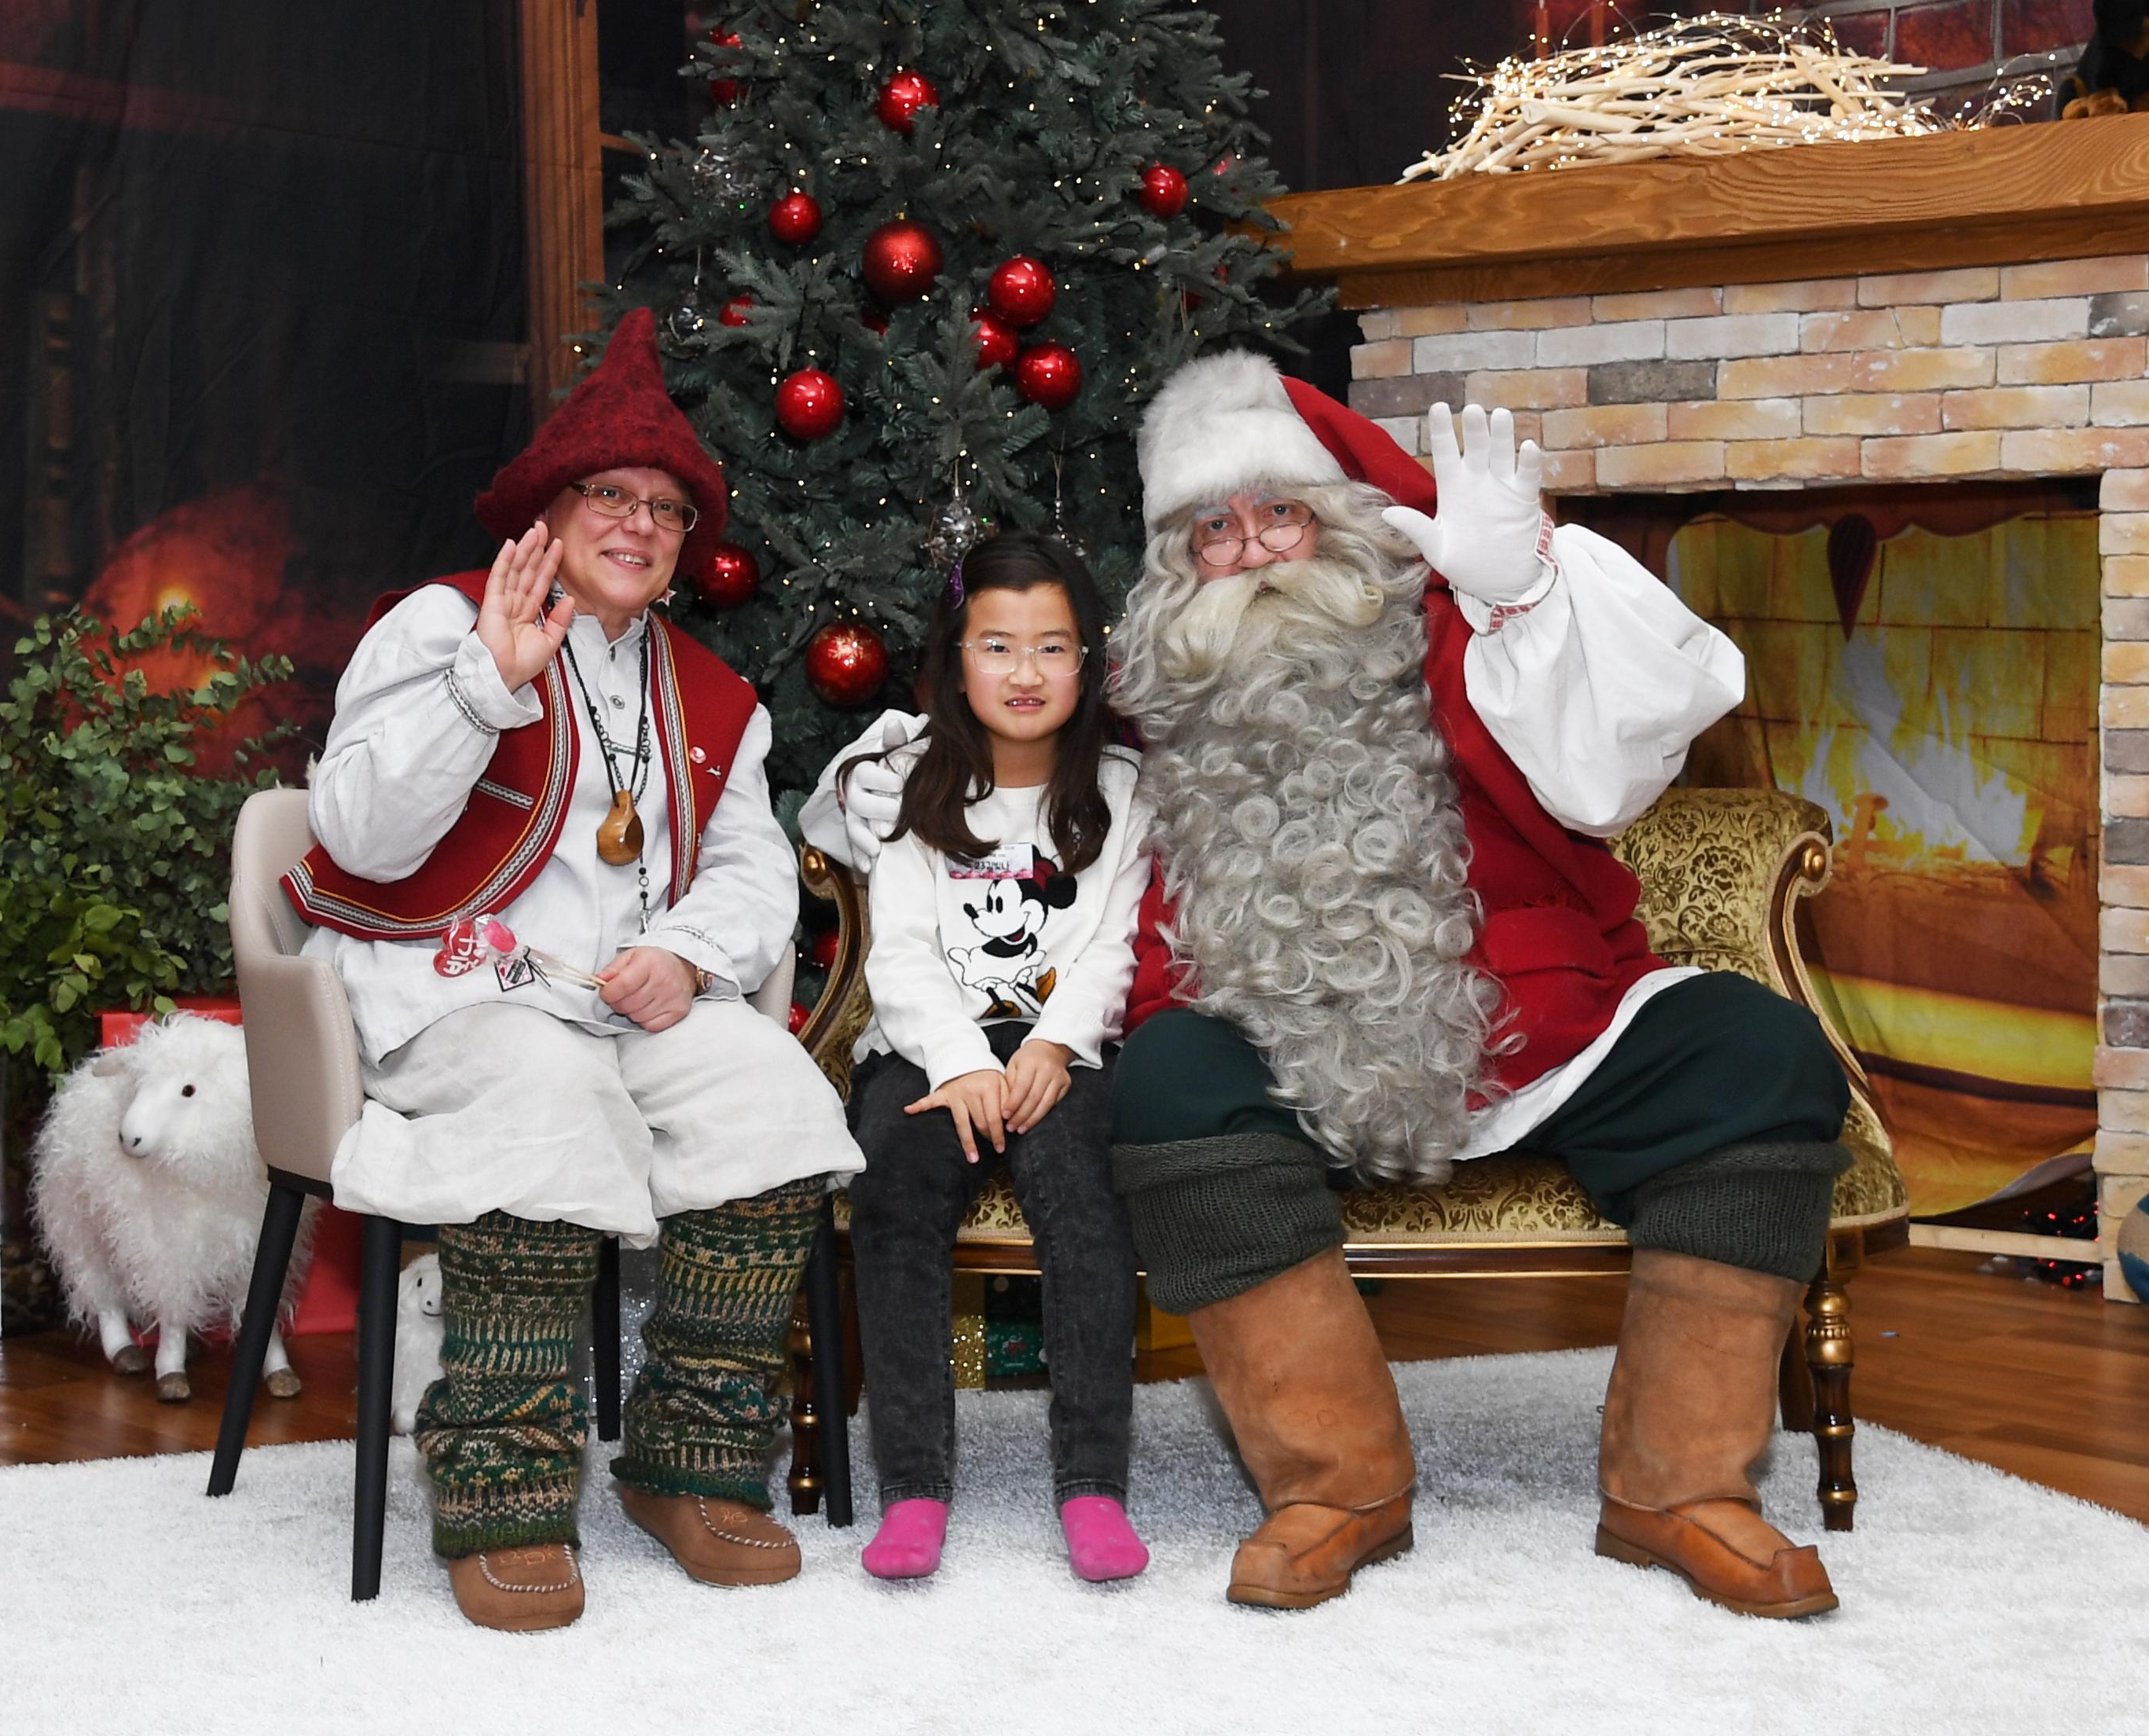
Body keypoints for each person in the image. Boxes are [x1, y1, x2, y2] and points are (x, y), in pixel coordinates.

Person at [806, 351, 1852, 1620]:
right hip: (1272, 1049)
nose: (1253, 551)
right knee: (1172, 1080)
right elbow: (991, 753)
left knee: (1760, 1052)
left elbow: (1608, 776)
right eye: (1215, 529)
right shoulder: (1146, 695)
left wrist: (1524, 591)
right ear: (1174, 569)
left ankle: (1679, 1488)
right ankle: (1335, 1481)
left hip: (1526, 1028)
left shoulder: (1471, 636)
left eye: (1281, 514)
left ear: (1345, 525)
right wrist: (858, 791)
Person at [287, 309, 861, 1633]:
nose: (639, 523)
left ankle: (691, 1463)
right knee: (544, 1098)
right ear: (548, 505)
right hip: (451, 989)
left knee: (770, 1101)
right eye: (611, 492)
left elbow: (754, 869)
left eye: (666, 508)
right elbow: (357, 830)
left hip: (624, 999)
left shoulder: (714, 694)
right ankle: (503, 1483)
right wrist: (485, 685)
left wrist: (686, 947)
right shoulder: (435, 629)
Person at [839, 533, 1151, 1585]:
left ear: (1087, 660)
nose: (1025, 673)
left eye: (1052, 648)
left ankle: (1094, 1483)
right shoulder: (903, 787)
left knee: (1085, 1192)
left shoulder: (1121, 786)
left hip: (1063, 1050)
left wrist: (1058, 1044)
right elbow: (904, 950)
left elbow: (1112, 942)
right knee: (896, 1188)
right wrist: (961, 1065)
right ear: (957, 658)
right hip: (928, 1048)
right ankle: (916, 1484)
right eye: (999, 646)